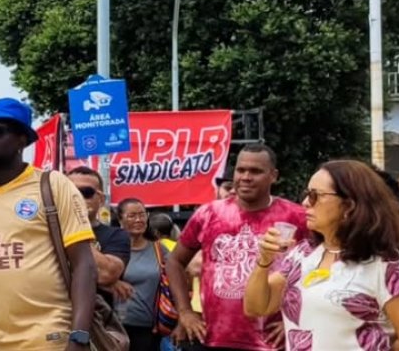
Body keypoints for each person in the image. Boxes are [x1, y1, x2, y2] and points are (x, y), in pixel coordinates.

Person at [0, 98, 97, 350]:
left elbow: (84, 263)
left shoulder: (53, 185)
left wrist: (79, 335)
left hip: (47, 339)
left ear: (22, 140)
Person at [243, 160, 399, 350]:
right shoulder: (303, 254)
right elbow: (256, 307)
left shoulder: (387, 265)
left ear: (349, 206)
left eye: (315, 196)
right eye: (306, 194)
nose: (305, 203)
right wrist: (264, 260)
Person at [166, 144, 309, 351]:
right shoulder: (208, 214)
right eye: (241, 170)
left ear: (273, 176)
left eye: (256, 171)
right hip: (214, 338)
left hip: (271, 342)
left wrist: (296, 319)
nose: (246, 177)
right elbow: (174, 261)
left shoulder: (296, 218)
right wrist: (185, 312)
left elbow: (320, 271)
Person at [67, 166, 131, 306]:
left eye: (86, 192)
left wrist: (77, 224)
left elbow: (107, 274)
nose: (77, 197)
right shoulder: (48, 230)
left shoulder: (116, 235)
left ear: (101, 199)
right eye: (71, 191)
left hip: (97, 321)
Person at [113, 198, 167, 351]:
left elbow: (179, 277)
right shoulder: (109, 248)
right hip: (113, 327)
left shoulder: (159, 250)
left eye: (142, 215)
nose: (138, 220)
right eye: (132, 216)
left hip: (148, 330)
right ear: (120, 219)